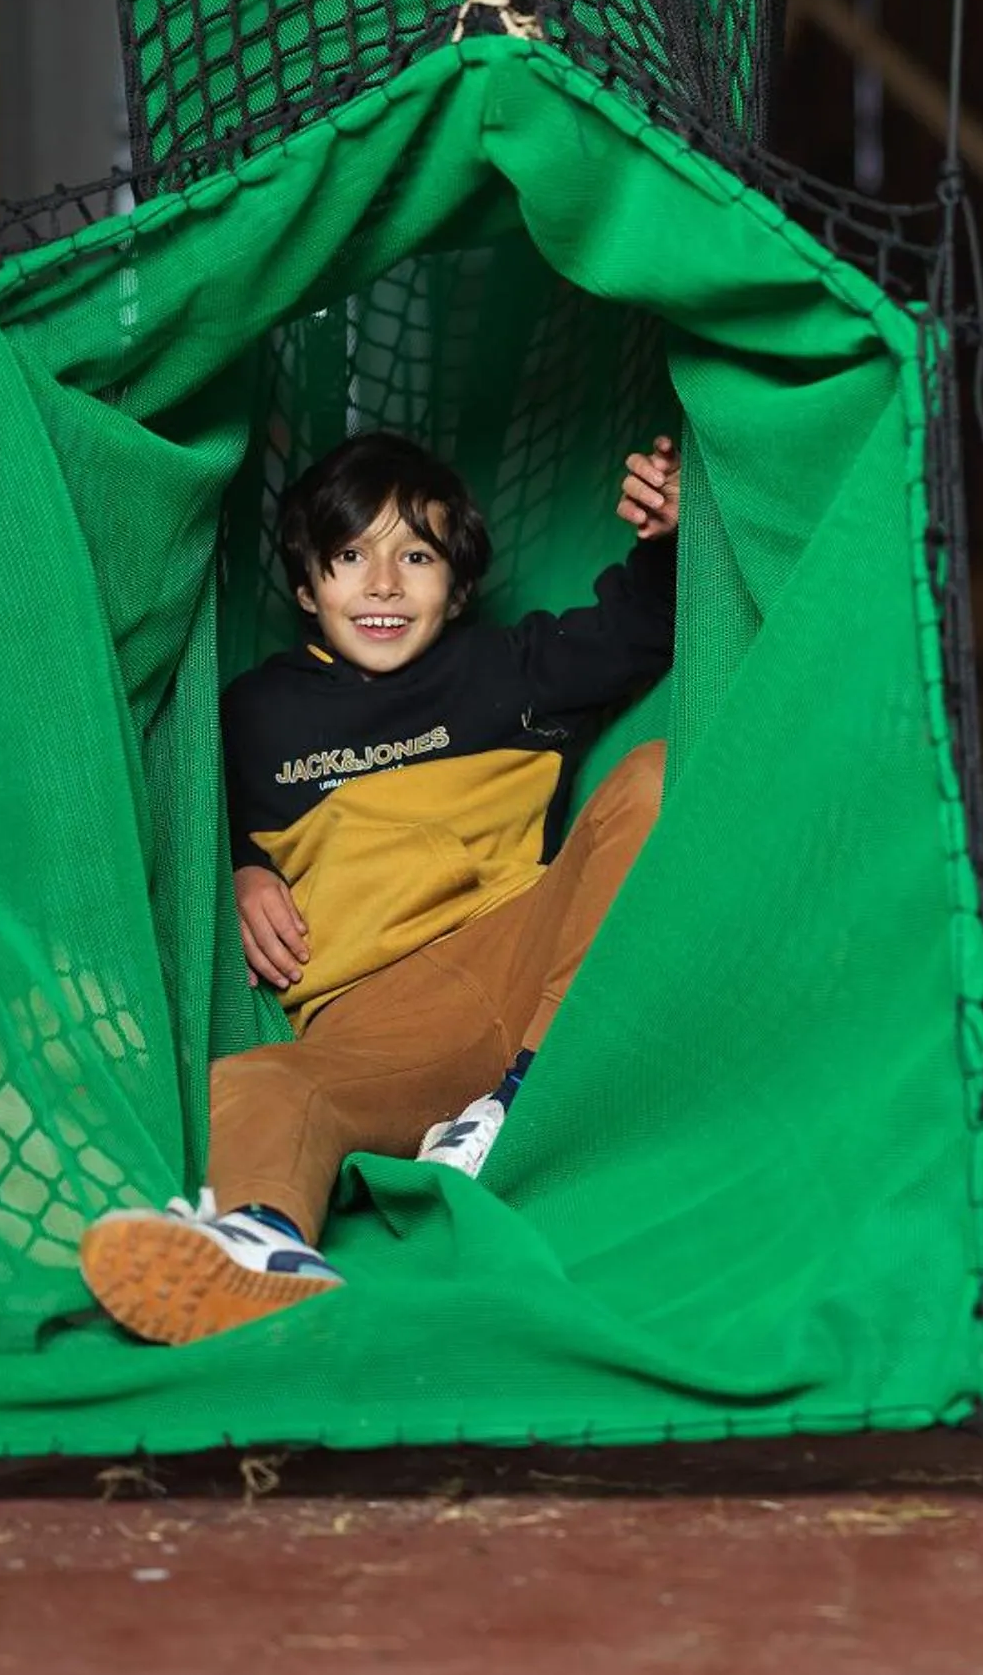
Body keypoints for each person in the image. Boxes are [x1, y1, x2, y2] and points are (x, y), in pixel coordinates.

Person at [77, 428, 682, 1344]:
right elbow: (180, 819)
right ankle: (261, 1246)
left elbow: (644, 627)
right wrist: (241, 870)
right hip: (378, 1018)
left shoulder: (509, 669)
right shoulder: (254, 714)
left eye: (418, 556)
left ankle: (520, 1102)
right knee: (262, 1080)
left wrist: (669, 534)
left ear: (460, 588)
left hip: (526, 953)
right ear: (306, 587)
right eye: (352, 556)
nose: (385, 585)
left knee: (656, 777)